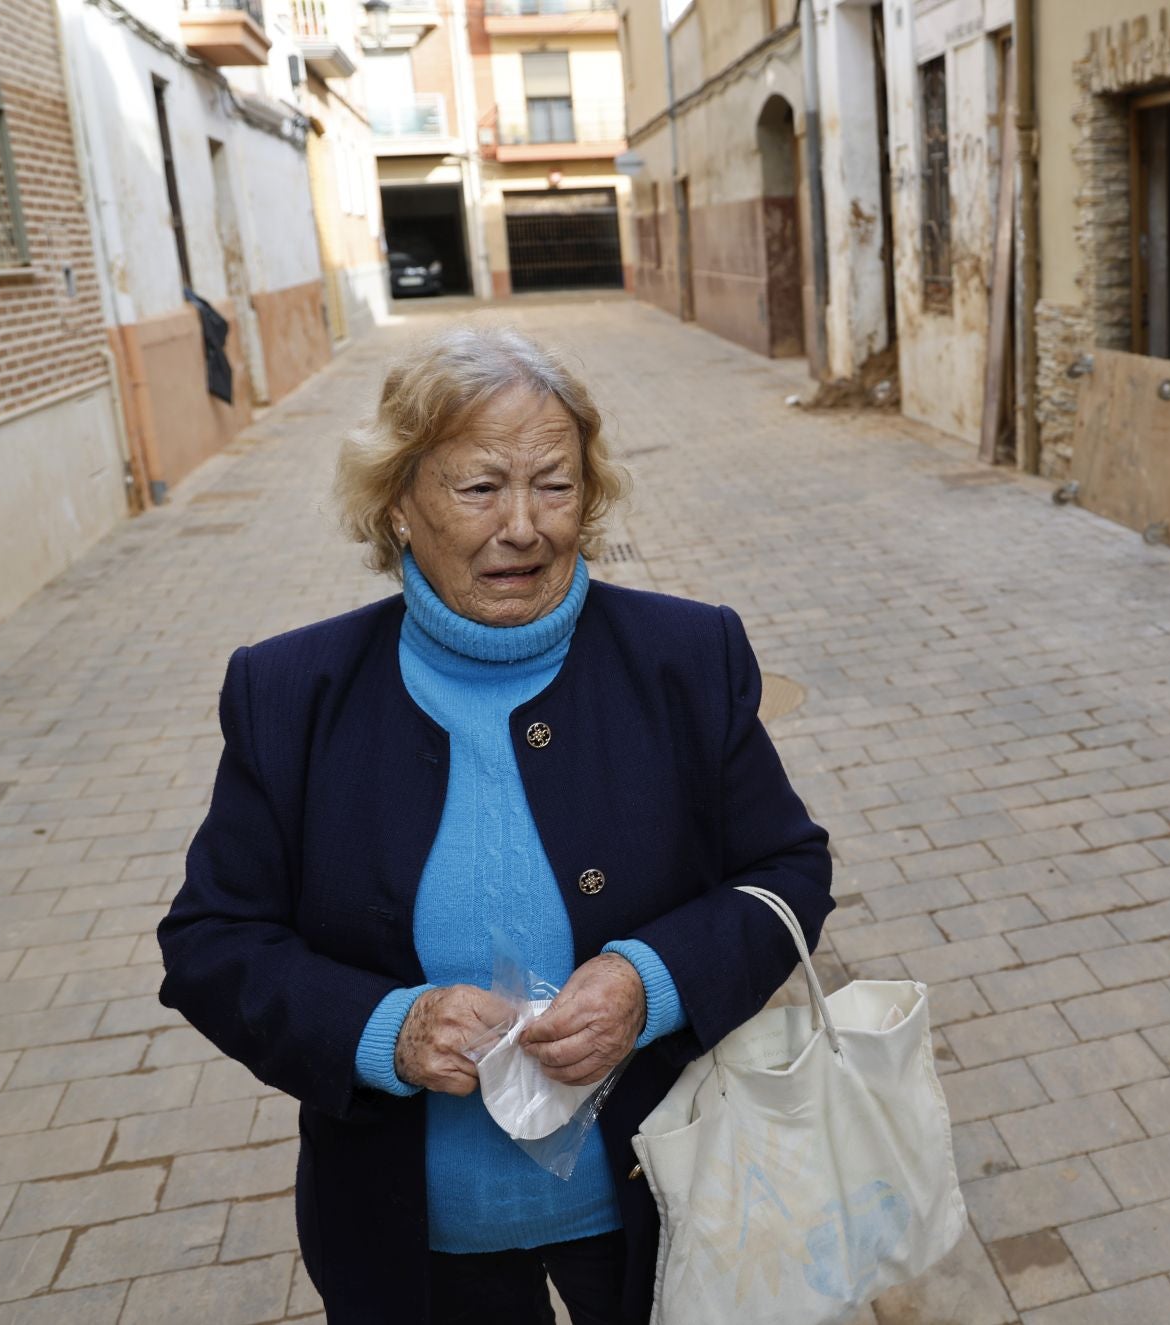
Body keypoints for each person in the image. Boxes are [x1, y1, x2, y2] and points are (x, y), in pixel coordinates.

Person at [158, 327, 833, 1324]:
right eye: (478, 489)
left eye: (554, 485)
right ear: (397, 503)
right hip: (417, 1243)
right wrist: (388, 1029)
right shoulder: (291, 692)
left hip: (671, 1196)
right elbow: (211, 942)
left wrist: (651, 980)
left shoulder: (687, 656)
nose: (523, 525)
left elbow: (788, 870)